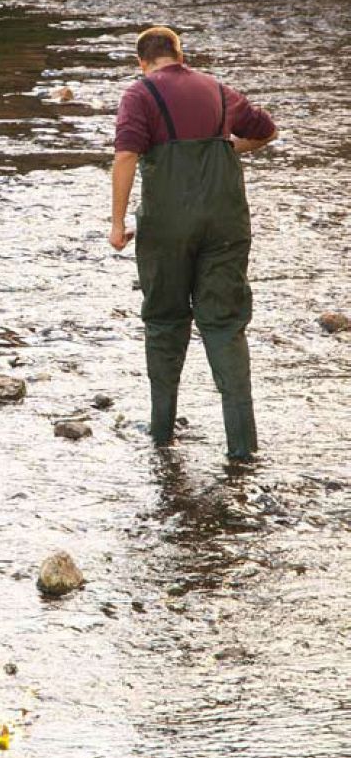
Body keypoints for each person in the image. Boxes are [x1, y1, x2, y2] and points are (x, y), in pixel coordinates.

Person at [109, 26, 277, 460]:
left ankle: (162, 435)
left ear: (142, 62)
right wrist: (230, 147)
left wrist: (117, 223)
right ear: (180, 54)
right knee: (224, 324)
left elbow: (126, 155)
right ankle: (243, 448)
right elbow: (265, 130)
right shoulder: (219, 90)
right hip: (225, 223)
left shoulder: (140, 94)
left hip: (167, 227)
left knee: (165, 320)